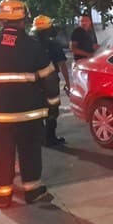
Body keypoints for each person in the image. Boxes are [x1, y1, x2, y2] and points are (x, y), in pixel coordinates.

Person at [0, 0, 60, 208]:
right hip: (30, 115)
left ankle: (2, 195)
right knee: (30, 152)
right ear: (24, 20)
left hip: (0, 115)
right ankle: (32, 191)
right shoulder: (34, 47)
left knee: (2, 154)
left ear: (1, 21)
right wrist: (53, 105)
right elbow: (50, 79)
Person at [32, 15, 71, 147]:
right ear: (49, 29)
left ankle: (40, 137)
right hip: (51, 82)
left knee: (36, 110)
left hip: (33, 83)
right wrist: (68, 83)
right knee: (52, 110)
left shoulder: (30, 44)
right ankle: (50, 138)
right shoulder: (54, 44)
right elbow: (62, 64)